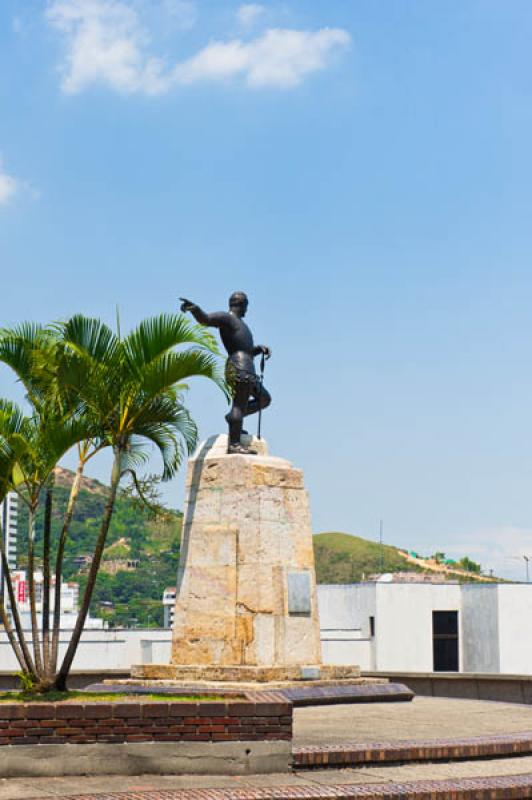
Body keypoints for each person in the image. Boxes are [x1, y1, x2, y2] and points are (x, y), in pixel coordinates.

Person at [179, 292, 271, 454]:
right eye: (246, 307)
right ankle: (234, 443)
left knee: (264, 399)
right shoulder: (227, 318)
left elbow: (246, 350)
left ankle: (235, 420)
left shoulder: (240, 323)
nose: (246, 311)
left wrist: (259, 349)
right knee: (238, 404)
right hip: (239, 367)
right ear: (241, 304)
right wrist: (194, 309)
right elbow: (206, 319)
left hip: (247, 366)